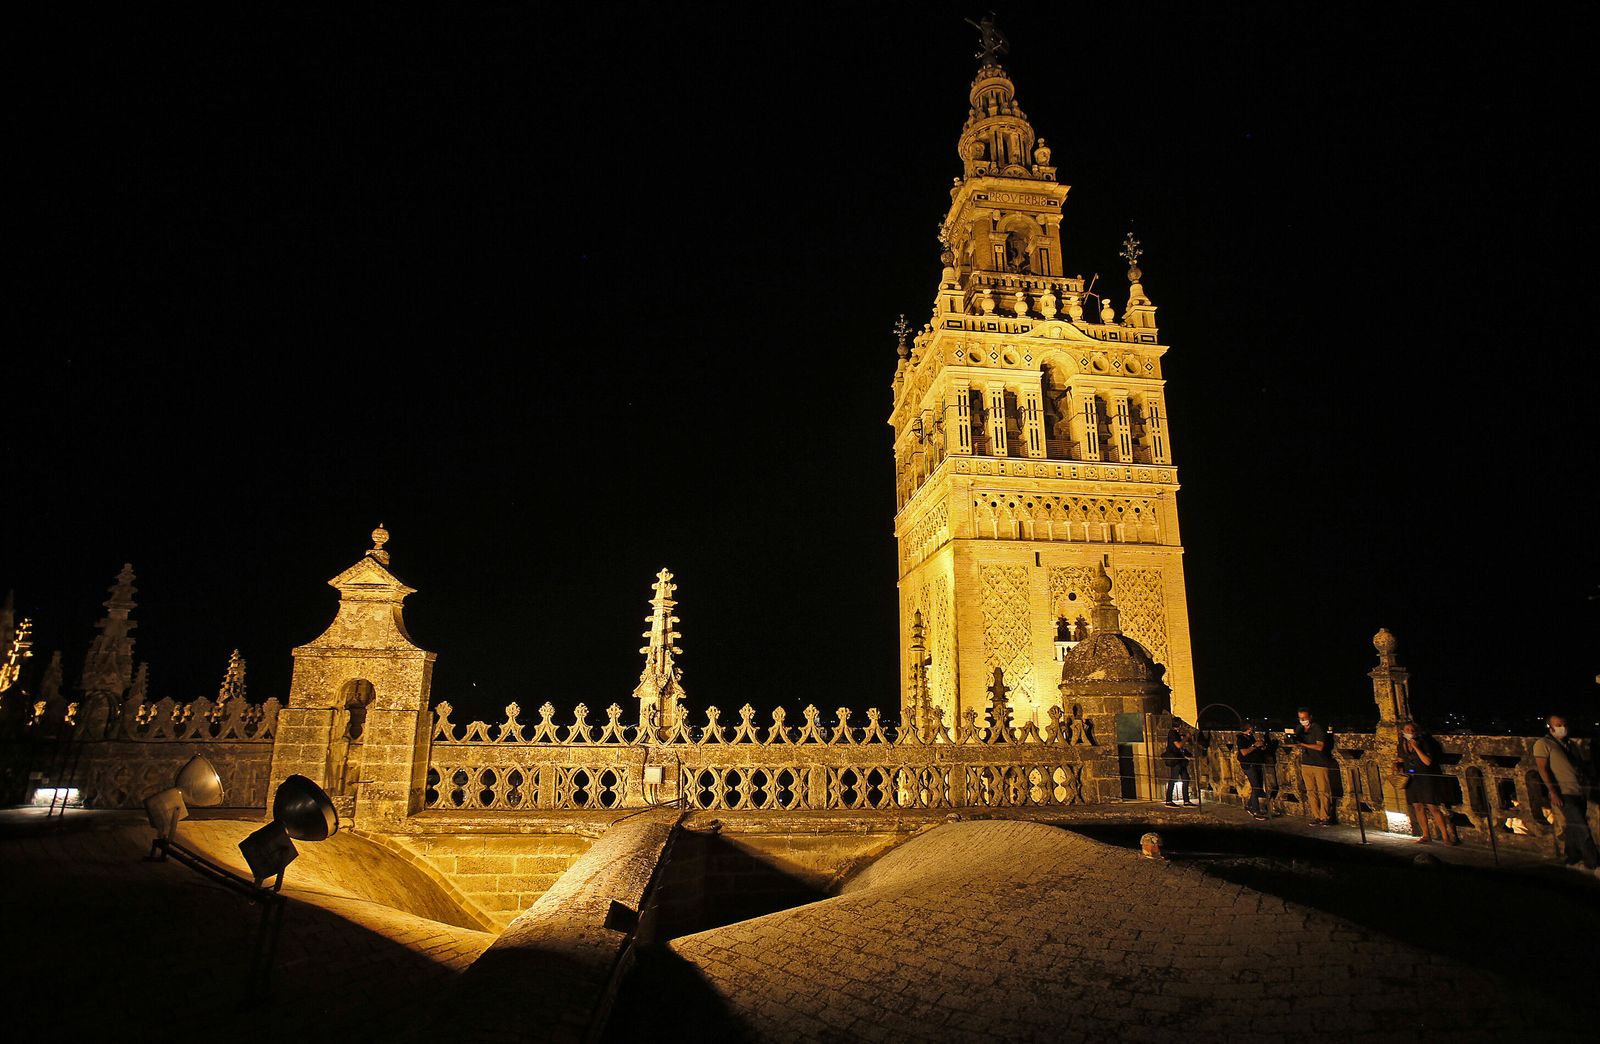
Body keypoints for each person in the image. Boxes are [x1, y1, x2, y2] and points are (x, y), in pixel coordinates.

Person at [1532, 715, 1599, 875]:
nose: (1563, 728)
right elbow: (1542, 769)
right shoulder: (1543, 744)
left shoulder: (1570, 744)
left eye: (1564, 724)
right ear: (1550, 727)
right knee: (1581, 827)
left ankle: (1572, 858)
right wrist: (1553, 792)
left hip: (1578, 791)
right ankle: (1594, 863)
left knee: (1573, 826)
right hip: (1563, 792)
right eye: (1559, 725)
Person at [1393, 721, 1458, 844]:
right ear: (1402, 731)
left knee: (1432, 806)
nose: (1410, 732)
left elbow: (1427, 761)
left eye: (1412, 730)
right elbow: (1404, 759)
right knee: (1417, 807)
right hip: (1411, 778)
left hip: (1425, 777)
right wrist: (1397, 764)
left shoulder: (1423, 742)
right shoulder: (1401, 744)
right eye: (1407, 730)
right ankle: (1426, 835)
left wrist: (1416, 747)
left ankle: (1446, 837)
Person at [1291, 707, 1335, 826]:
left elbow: (1320, 746)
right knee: (1311, 792)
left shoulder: (1317, 728)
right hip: (1306, 763)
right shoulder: (1299, 728)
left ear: (1310, 717)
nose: (1302, 720)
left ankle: (1325, 817)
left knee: (1323, 791)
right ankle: (1316, 816)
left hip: (1320, 763)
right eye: (1300, 718)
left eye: (1304, 718)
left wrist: (1303, 744)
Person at [1236, 723, 1270, 819]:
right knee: (1255, 787)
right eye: (1251, 728)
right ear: (1248, 729)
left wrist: (1260, 746)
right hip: (1248, 765)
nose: (1253, 729)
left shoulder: (1250, 737)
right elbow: (1244, 752)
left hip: (1256, 764)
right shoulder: (1241, 739)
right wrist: (1255, 746)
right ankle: (1255, 811)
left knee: (1258, 787)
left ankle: (1249, 805)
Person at [1162, 730, 1194, 807]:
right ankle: (1169, 801)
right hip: (1175, 761)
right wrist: (1186, 737)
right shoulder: (1172, 733)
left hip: (1180, 760)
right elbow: (1178, 745)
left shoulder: (1176, 733)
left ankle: (1186, 801)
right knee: (1173, 779)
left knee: (1186, 779)